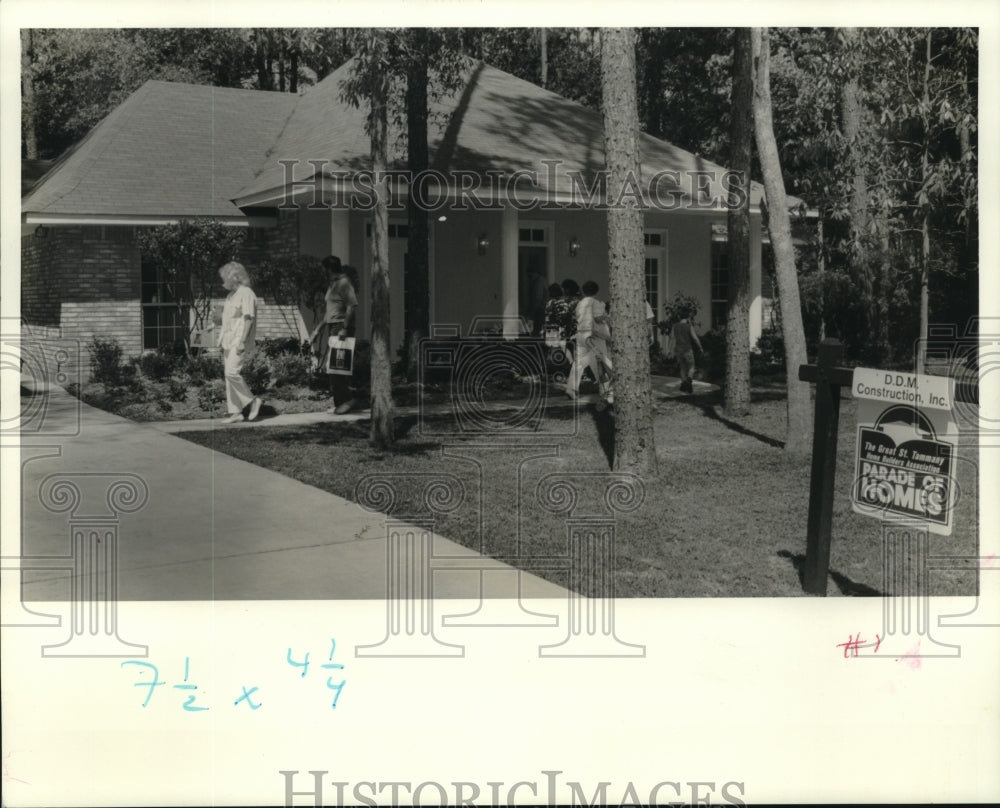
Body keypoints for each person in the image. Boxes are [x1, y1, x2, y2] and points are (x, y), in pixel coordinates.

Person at [310, 255, 358, 415]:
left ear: (329, 269)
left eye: (324, 269)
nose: (323, 273)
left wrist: (345, 328)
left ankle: (347, 400)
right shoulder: (333, 285)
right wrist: (318, 330)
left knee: (338, 367)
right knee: (333, 367)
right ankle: (340, 402)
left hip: (341, 327)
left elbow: (352, 306)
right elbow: (330, 312)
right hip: (333, 327)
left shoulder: (345, 283)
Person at [218, 261, 262, 424]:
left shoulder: (246, 293)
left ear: (234, 277)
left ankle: (253, 401)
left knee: (232, 373)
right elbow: (227, 319)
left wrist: (243, 341)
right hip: (228, 340)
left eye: (225, 277)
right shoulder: (230, 296)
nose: (224, 281)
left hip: (239, 340)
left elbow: (248, 318)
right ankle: (235, 412)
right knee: (228, 375)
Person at [565, 280, 613, 406]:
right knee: (602, 362)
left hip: (581, 334)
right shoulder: (596, 303)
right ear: (596, 291)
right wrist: (607, 317)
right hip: (594, 336)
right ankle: (606, 392)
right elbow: (597, 318)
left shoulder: (580, 303)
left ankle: (571, 388)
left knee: (579, 362)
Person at [668, 310, 703, 393]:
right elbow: (695, 338)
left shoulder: (674, 326)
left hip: (678, 349)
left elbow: (671, 338)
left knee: (682, 367)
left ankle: (683, 384)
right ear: (687, 317)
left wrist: (669, 349)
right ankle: (689, 382)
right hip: (687, 349)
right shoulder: (689, 326)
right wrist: (700, 347)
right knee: (691, 366)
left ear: (679, 317)